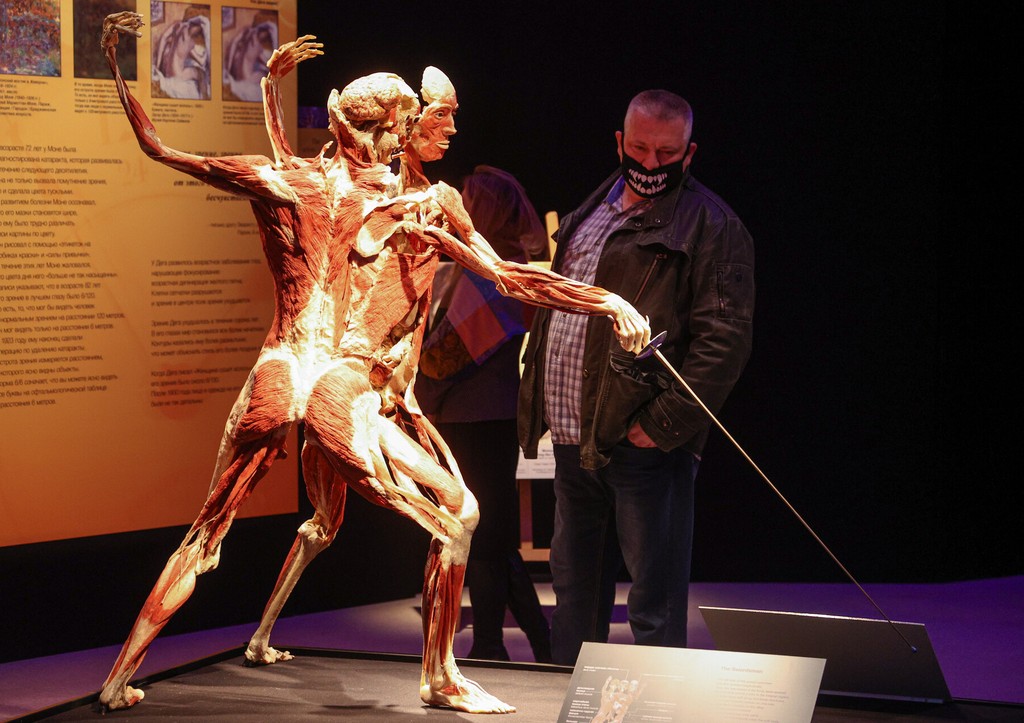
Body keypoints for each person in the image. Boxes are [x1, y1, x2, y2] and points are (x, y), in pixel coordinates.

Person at [97, 15, 649, 713]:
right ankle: (440, 676)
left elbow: (159, 148)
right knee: (458, 515)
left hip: (280, 371)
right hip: (345, 386)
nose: (412, 136)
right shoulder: (417, 206)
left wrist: (117, 62)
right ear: (383, 132)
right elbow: (510, 278)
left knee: (215, 530)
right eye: (404, 126)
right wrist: (607, 300)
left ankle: (121, 676)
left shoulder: (288, 178)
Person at [518, 89, 755, 666]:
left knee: (654, 603)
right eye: (641, 149)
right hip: (575, 438)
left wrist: (662, 425)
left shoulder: (713, 224)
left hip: (643, 445)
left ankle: (659, 704)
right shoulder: (592, 208)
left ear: (689, 153)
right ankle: (569, 700)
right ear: (620, 142)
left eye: (666, 153)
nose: (651, 163)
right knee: (574, 598)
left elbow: (723, 343)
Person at [415, 165, 552, 663]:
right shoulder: (486, 265)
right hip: (475, 418)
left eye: (465, 199)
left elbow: (442, 357)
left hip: (476, 420)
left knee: (483, 535)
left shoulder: (494, 273)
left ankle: (496, 643)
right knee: (489, 536)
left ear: (483, 210)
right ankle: (530, 641)